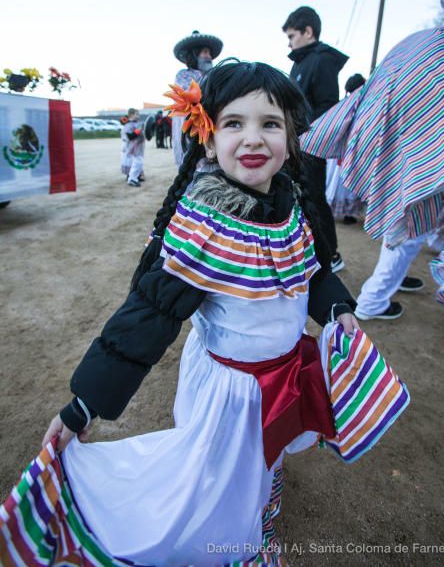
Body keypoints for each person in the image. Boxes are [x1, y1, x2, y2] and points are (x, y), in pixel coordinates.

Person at [1, 61, 364, 566]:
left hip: (283, 380)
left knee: (264, 460)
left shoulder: (291, 205)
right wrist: (85, 403)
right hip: (229, 392)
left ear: (291, 139)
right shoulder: (202, 227)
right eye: (234, 123)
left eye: (270, 123)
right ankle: (234, 542)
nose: (254, 138)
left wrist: (338, 307)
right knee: (219, 475)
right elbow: (147, 316)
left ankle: (260, 506)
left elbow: (313, 273)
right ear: (208, 141)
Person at [299, 0, 444, 340]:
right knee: (407, 227)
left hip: (415, 158)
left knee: (411, 228)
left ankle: (391, 290)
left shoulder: (423, 41)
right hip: (419, 162)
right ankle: (376, 299)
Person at [282, 6, 348, 273]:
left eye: (291, 36)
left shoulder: (321, 60)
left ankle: (330, 254)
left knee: (315, 200)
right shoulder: (300, 61)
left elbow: (327, 106)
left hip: (310, 145)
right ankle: (310, 248)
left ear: (308, 32)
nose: (289, 43)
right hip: (295, 144)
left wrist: (305, 137)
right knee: (298, 200)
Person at [171, 30, 223, 166]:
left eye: (210, 53)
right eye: (205, 52)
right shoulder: (183, 76)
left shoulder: (214, 76)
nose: (209, 57)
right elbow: (194, 96)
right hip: (191, 134)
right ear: (194, 55)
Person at [326, 74, 366, 225]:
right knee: (347, 181)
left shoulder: (341, 105)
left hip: (339, 149)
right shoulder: (363, 105)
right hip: (351, 148)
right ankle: (348, 213)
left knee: (336, 180)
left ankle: (335, 209)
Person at [123, 107, 145, 187]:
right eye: (137, 114)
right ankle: (132, 179)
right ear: (131, 115)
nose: (138, 116)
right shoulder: (128, 125)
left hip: (139, 148)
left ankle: (134, 177)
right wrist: (138, 130)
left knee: (138, 163)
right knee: (137, 162)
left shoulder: (137, 124)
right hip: (133, 148)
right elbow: (130, 136)